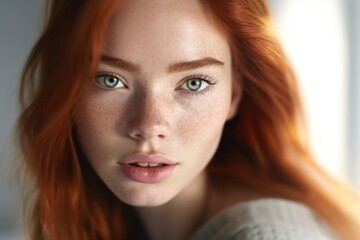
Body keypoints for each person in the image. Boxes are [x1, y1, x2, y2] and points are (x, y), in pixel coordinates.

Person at [17, 0, 360, 239]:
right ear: (65, 88)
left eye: (193, 83)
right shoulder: (96, 217)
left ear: (234, 95)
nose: (149, 126)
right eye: (109, 80)